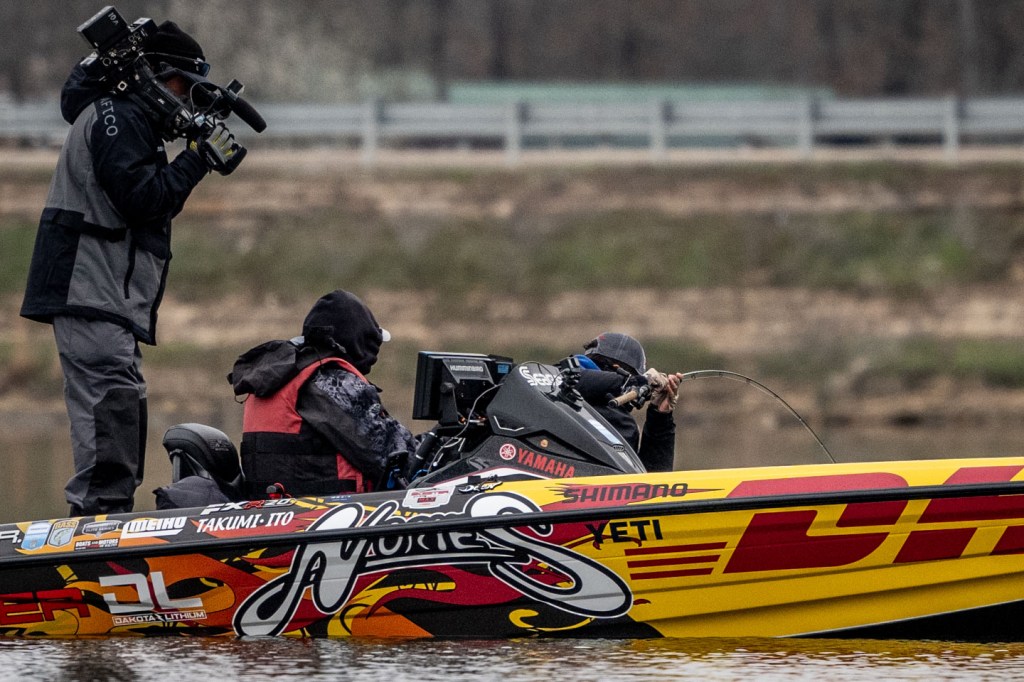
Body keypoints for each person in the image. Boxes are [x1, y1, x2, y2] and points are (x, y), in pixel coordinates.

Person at [20, 21, 244, 516]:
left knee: (120, 405)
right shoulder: (118, 118)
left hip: (100, 294)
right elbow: (142, 199)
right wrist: (196, 161)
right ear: (155, 75)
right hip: (89, 289)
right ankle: (98, 527)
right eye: (182, 86)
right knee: (110, 409)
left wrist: (190, 158)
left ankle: (106, 519)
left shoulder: (122, 118)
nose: (184, 101)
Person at [228, 290, 418, 499]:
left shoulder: (276, 375)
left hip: (271, 510)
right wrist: (435, 447)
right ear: (357, 340)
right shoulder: (329, 381)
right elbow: (390, 454)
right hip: (330, 511)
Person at [572, 332, 682, 472]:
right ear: (616, 368)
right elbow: (569, 379)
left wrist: (660, 418)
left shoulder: (624, 424)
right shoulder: (557, 381)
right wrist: (633, 381)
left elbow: (652, 480)